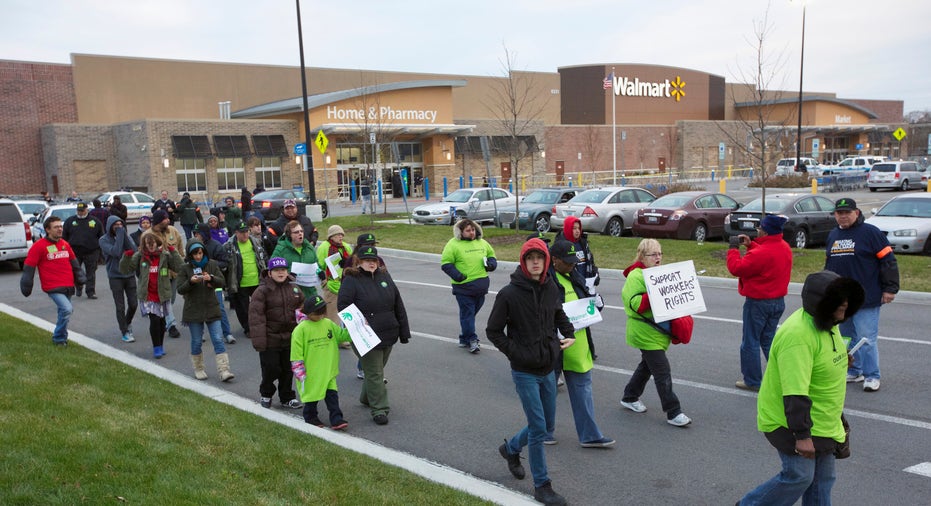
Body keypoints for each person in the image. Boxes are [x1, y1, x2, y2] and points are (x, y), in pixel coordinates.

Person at [737, 271, 864, 506]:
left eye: (846, 303)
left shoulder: (829, 321)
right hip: (790, 421)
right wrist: (802, 436)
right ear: (822, 304)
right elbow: (795, 393)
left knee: (823, 479)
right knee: (799, 476)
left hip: (823, 419)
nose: (844, 309)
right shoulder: (798, 335)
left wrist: (841, 357)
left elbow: (823, 353)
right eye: (839, 304)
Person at [485, 238, 576, 506]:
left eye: (540, 257)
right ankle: (542, 485)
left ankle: (511, 449)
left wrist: (568, 333)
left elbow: (558, 314)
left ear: (546, 261)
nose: (535, 262)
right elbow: (493, 332)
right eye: (530, 257)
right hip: (524, 370)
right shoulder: (509, 294)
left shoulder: (550, 287)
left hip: (548, 366)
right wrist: (517, 353)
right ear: (523, 261)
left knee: (546, 426)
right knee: (538, 429)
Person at [824, 197, 899, 393]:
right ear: (835, 215)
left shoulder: (870, 233)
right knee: (847, 338)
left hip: (866, 297)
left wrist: (890, 288)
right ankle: (854, 370)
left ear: (856, 213)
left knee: (866, 339)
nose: (843, 216)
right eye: (839, 213)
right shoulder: (833, 235)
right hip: (841, 299)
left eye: (847, 213)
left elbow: (888, 261)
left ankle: (872, 375)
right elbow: (829, 265)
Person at [547, 240, 613, 448]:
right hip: (552, 345)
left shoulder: (573, 274)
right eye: (568, 262)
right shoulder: (546, 280)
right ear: (555, 260)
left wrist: (596, 301)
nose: (572, 265)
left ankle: (590, 435)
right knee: (547, 392)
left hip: (577, 344)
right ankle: (544, 432)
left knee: (583, 390)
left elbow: (587, 304)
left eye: (574, 261)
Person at [619, 239, 692, 427]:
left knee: (647, 366)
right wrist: (655, 292)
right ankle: (673, 411)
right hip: (645, 332)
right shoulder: (636, 276)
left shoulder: (658, 273)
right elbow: (635, 305)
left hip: (657, 332)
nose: (658, 257)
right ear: (642, 256)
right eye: (653, 254)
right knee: (662, 371)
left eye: (660, 253)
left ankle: (629, 396)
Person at [337, 246, 411, 425]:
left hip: (388, 333)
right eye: (367, 260)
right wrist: (359, 323)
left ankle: (366, 398)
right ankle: (380, 409)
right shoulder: (351, 280)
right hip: (365, 336)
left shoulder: (385, 277)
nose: (371, 263)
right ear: (359, 262)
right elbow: (343, 306)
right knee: (375, 373)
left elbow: (398, 304)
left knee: (375, 371)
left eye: (374, 260)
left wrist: (403, 331)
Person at [726, 214, 793, 391]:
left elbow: (736, 268)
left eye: (759, 229)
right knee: (768, 339)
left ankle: (753, 380)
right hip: (778, 301)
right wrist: (751, 244)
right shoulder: (784, 247)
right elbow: (763, 258)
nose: (758, 231)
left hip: (758, 303)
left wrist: (733, 248)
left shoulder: (761, 253)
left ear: (764, 231)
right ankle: (783, 375)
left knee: (750, 342)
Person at [20, 216, 86, 346]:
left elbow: (74, 264)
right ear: (47, 230)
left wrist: (80, 276)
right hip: (53, 287)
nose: (60, 229)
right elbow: (29, 269)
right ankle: (58, 337)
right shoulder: (38, 246)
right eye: (56, 227)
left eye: (60, 226)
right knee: (67, 309)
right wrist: (27, 285)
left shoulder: (64, 244)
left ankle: (62, 339)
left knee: (63, 312)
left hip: (68, 285)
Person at [250, 257, 305, 409]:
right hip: (270, 340)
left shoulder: (294, 289)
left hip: (290, 339)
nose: (280, 273)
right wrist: (260, 341)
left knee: (288, 369)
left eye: (283, 270)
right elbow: (256, 318)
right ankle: (266, 393)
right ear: (269, 273)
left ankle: (287, 396)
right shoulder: (261, 292)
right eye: (276, 270)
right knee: (271, 368)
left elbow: (303, 308)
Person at [119, 231, 183, 359]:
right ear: (144, 245)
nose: (151, 246)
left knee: (161, 321)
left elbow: (179, 267)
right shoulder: (140, 256)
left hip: (162, 294)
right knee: (154, 319)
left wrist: (173, 252)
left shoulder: (164, 255)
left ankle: (161, 344)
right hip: (148, 295)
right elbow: (125, 270)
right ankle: (156, 347)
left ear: (157, 242)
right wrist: (126, 257)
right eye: (148, 244)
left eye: (153, 243)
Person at [177, 241, 234, 382]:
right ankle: (199, 368)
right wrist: (191, 282)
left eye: (200, 253)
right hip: (193, 309)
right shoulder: (185, 268)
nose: (198, 256)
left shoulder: (212, 265)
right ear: (190, 255)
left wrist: (212, 278)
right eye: (195, 254)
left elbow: (222, 282)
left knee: (217, 338)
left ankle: (224, 370)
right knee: (196, 341)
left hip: (211, 307)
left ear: (204, 252)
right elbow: (180, 289)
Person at [291, 295, 352, 428]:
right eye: (315, 313)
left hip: (328, 368)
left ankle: (337, 418)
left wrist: (354, 329)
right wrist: (299, 371)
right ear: (307, 312)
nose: (319, 316)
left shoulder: (328, 323)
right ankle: (310, 416)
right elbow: (296, 353)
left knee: (332, 395)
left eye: (321, 312)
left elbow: (341, 335)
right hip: (311, 371)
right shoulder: (301, 329)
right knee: (312, 396)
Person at [440, 218, 497, 353]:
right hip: (463, 288)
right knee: (468, 314)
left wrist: (492, 264)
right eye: (468, 231)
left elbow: (491, 256)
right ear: (460, 232)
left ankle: (463, 338)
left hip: (481, 288)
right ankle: (472, 339)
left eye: (472, 230)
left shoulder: (482, 242)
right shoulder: (453, 244)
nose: (471, 233)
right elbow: (446, 264)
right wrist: (458, 276)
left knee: (469, 315)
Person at [554, 215, 600, 359]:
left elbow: (589, 261)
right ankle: (558, 358)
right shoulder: (561, 245)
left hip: (584, 284)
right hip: (569, 285)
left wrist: (594, 273)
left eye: (578, 228)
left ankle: (589, 351)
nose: (577, 231)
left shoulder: (583, 243)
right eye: (573, 228)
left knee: (586, 320)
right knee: (567, 323)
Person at [224, 221, 268, 337]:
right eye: (242, 232)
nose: (245, 235)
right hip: (240, 282)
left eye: (246, 232)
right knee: (243, 308)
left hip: (257, 280)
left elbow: (264, 257)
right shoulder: (229, 246)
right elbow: (226, 265)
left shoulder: (256, 242)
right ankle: (248, 328)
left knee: (259, 306)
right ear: (236, 233)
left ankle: (260, 325)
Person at [192, 223, 235, 344]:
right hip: (198, 284)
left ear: (204, 234)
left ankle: (227, 333)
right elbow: (187, 263)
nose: (196, 236)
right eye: (194, 234)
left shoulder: (215, 245)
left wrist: (211, 266)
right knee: (198, 309)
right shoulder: (192, 246)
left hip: (214, 283)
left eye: (198, 234)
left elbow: (225, 262)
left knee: (219, 308)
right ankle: (200, 334)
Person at [99, 215, 138, 343]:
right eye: (116, 225)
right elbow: (115, 252)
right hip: (115, 276)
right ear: (110, 226)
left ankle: (127, 322)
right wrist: (120, 235)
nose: (119, 227)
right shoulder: (104, 240)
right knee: (120, 306)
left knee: (133, 304)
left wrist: (123, 235)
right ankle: (124, 331)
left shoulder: (125, 235)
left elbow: (134, 251)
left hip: (129, 274)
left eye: (121, 225)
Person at [151, 209, 185, 338]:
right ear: (159, 220)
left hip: (174, 272)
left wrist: (182, 263)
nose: (168, 220)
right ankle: (171, 325)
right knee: (165, 300)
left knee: (171, 299)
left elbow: (180, 249)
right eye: (165, 218)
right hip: (160, 274)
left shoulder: (173, 231)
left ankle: (164, 319)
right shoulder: (149, 235)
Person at [63, 201, 104, 299]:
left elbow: (101, 236)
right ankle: (79, 286)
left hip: (91, 251)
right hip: (75, 252)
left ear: (87, 210)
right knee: (75, 271)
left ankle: (90, 292)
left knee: (91, 272)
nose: (80, 212)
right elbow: (64, 237)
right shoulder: (70, 221)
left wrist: (100, 252)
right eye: (79, 211)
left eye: (82, 210)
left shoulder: (95, 221)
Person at [271, 220, 320, 299]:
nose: (300, 234)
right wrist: (288, 275)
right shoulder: (281, 249)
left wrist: (320, 272)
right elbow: (272, 270)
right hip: (290, 294)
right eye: (296, 232)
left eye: (301, 231)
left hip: (310, 294)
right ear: (289, 235)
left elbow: (317, 265)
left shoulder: (309, 248)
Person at [316, 225, 352, 326]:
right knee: (332, 314)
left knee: (347, 312)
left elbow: (352, 262)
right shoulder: (324, 247)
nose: (340, 237)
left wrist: (346, 262)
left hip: (345, 284)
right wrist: (324, 281)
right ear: (331, 236)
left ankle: (345, 336)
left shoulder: (346, 246)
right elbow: (319, 265)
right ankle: (334, 336)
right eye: (338, 235)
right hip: (330, 284)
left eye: (342, 235)